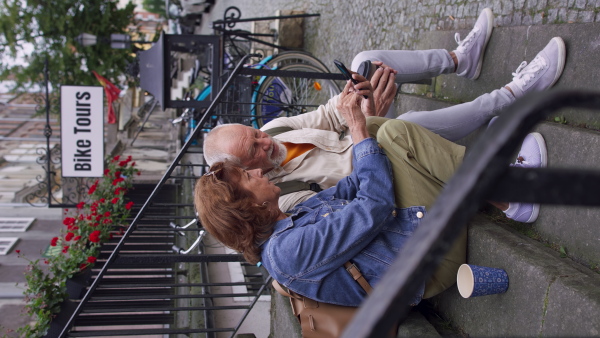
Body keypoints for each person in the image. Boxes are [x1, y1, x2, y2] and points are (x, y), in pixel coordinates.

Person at [202, 8, 566, 223]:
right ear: (242, 172)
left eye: (256, 133)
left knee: (367, 61)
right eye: (255, 149)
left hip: (366, 136)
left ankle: (459, 60)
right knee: (406, 127)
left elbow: (326, 115)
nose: (266, 140)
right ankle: (511, 95)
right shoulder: (282, 196)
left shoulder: (275, 129)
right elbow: (360, 191)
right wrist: (367, 124)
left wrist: (355, 93)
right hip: (384, 173)